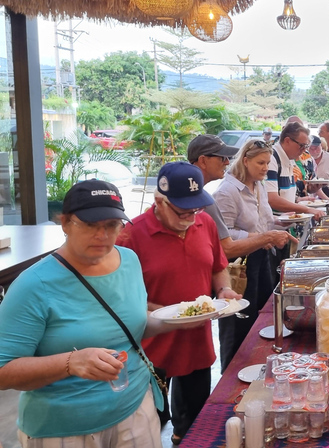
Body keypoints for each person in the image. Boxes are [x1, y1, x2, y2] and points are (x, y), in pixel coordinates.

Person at [0, 180, 192, 447]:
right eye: (90, 225)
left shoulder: (129, 261)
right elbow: (3, 370)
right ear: (65, 223)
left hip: (136, 408)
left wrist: (175, 319)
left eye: (112, 225)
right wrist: (71, 362)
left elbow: (130, 325)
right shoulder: (33, 285)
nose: (102, 235)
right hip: (65, 428)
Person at [117, 163, 242, 445]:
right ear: (159, 201)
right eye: (182, 211)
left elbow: (218, 267)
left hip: (196, 340)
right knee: (149, 421)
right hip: (151, 347)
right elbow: (120, 294)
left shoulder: (204, 223)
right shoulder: (131, 235)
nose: (190, 216)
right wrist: (162, 313)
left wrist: (224, 290)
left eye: (195, 209)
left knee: (194, 419)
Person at [212, 140, 297, 370]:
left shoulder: (258, 186)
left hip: (262, 257)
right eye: (260, 162)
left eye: (268, 163)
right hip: (238, 265)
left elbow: (264, 222)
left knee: (261, 316)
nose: (265, 168)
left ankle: (257, 367)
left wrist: (282, 223)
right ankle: (231, 374)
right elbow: (223, 237)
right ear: (245, 160)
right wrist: (262, 237)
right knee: (238, 324)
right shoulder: (227, 191)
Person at [266, 122, 325, 220]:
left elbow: (285, 194)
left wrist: (298, 199)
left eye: (306, 147)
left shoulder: (290, 158)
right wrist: (306, 209)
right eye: (301, 146)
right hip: (275, 225)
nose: (303, 150)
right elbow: (272, 199)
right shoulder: (272, 159)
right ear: (287, 140)